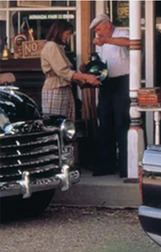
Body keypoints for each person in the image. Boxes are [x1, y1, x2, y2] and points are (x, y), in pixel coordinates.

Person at [90, 13, 130, 177]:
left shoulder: (122, 33)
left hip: (122, 82)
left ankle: (125, 166)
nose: (98, 33)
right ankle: (107, 164)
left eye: (99, 29)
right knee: (105, 122)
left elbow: (130, 43)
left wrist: (106, 40)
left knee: (122, 122)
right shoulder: (101, 42)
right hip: (106, 83)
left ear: (108, 25)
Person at [40, 20, 101, 120]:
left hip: (64, 88)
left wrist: (80, 82)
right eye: (67, 34)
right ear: (59, 32)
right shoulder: (51, 46)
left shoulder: (59, 47)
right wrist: (87, 77)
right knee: (57, 122)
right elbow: (63, 71)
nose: (68, 37)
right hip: (55, 89)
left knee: (68, 123)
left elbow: (65, 73)